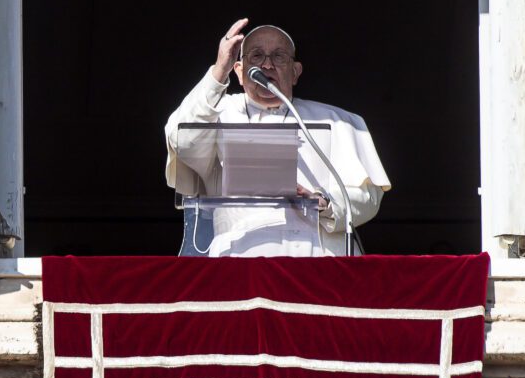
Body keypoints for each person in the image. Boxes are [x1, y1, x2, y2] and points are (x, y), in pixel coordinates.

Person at [165, 18, 391, 256]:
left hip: (318, 261)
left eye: (279, 56)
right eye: (256, 56)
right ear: (239, 72)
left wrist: (322, 202)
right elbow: (183, 142)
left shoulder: (336, 120)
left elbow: (367, 197)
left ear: (295, 72)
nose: (267, 65)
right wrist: (219, 69)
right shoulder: (216, 113)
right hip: (241, 259)